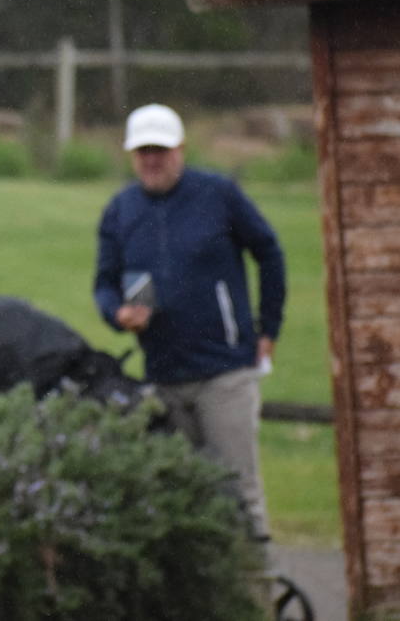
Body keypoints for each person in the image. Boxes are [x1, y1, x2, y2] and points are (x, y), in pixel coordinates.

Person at [92, 102, 286, 545]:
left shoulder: (218, 194)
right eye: (143, 151)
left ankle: (261, 600)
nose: (152, 159)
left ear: (180, 148)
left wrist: (267, 328)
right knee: (181, 499)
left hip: (226, 373)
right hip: (163, 376)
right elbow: (104, 284)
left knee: (240, 495)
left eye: (160, 149)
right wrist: (118, 315)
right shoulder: (121, 210)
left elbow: (269, 252)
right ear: (131, 155)